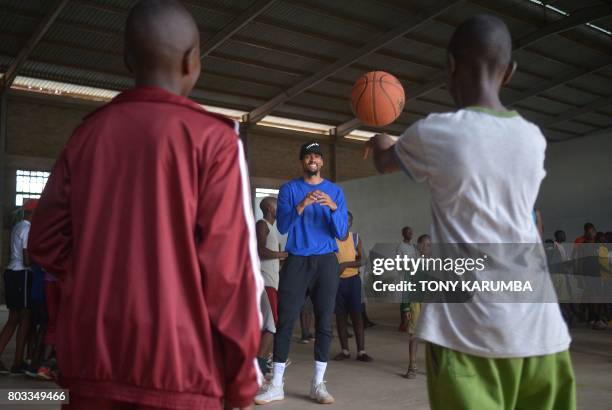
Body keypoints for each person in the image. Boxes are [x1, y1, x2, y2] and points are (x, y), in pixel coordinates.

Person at [28, 1, 262, 409]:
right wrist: (241, 381)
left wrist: (98, 274)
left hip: (92, 366)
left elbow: (44, 242)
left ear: (127, 59)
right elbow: (231, 273)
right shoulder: (214, 141)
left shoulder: (86, 137)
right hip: (183, 372)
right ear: (192, 61)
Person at [365, 15, 574, 410]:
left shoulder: (435, 132)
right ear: (509, 73)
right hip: (540, 331)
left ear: (449, 65)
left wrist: (380, 138)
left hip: (467, 333)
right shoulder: (533, 138)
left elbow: (383, 161)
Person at [255, 141, 348, 405]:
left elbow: (340, 232)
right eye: (308, 156)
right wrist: (302, 204)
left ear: (322, 162)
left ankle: (318, 384)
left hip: (326, 261)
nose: (313, 159)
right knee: (285, 321)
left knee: (324, 322)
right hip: (297, 260)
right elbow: (283, 227)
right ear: (302, 161)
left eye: (317, 156)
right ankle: (276, 385)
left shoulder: (335, 192)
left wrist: (331, 207)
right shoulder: (289, 189)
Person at [0, 199, 37, 375]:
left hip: (12, 272)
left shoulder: (18, 226)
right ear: (33, 213)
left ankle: (16, 360)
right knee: (24, 318)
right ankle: (17, 362)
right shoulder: (28, 229)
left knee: (13, 318)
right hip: (21, 274)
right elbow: (26, 259)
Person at [333, 212, 371, 362]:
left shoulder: (355, 238)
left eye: (348, 221)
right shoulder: (332, 239)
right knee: (340, 316)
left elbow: (362, 260)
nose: (346, 223)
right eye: (343, 220)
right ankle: (345, 350)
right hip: (336, 282)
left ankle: (361, 351)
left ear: (351, 223)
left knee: (357, 316)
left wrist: (345, 264)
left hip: (353, 281)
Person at [256, 197, 287, 375]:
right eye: (277, 205)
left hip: (271, 283)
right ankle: (259, 369)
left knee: (268, 325)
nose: (280, 208)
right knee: (270, 326)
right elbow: (260, 250)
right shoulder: (262, 224)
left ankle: (261, 363)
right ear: (269, 208)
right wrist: (283, 254)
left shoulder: (271, 228)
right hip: (264, 282)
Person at [403, 234, 430, 379]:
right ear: (418, 246)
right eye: (424, 244)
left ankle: (433, 367)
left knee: (433, 337)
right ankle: (412, 365)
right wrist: (406, 307)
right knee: (414, 335)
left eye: (429, 245)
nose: (426, 247)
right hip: (416, 303)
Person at [397, 226, 417, 332]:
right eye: (408, 232)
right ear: (403, 234)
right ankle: (403, 323)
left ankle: (409, 322)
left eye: (411, 232)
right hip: (405, 275)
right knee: (405, 300)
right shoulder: (401, 246)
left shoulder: (413, 246)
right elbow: (399, 262)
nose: (410, 234)